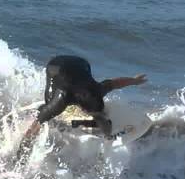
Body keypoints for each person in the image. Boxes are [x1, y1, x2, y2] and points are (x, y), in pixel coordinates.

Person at [18, 55, 147, 155]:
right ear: (83, 109)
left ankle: (84, 118)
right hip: (56, 67)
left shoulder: (99, 89)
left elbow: (115, 83)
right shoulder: (61, 100)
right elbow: (33, 129)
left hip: (80, 63)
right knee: (47, 105)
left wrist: (134, 80)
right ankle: (44, 111)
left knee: (84, 83)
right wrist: (24, 146)